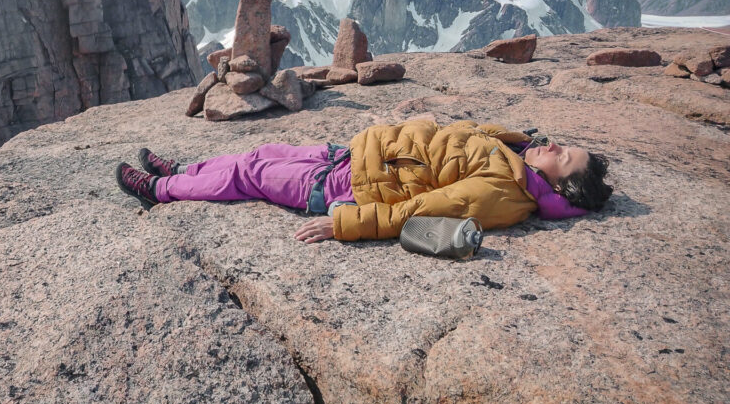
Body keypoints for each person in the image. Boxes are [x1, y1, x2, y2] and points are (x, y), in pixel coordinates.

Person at [115, 119, 612, 244]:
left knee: (251, 175)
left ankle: (158, 191)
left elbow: (424, 211)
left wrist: (346, 224)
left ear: (560, 187)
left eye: (564, 157)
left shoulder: (506, 193)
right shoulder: (517, 155)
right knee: (260, 153)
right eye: (562, 144)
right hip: (356, 155)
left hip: (350, 187)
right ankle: (183, 172)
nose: (554, 147)